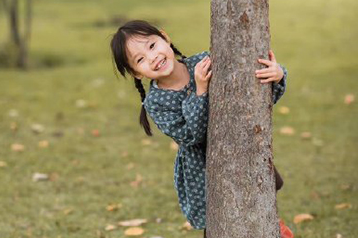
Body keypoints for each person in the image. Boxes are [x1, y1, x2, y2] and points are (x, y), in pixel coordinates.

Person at [110, 20, 293, 237]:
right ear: (137, 73)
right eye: (140, 59)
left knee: (255, 200)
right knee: (220, 217)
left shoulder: (203, 62)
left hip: (239, 149)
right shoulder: (156, 102)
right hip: (204, 165)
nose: (152, 57)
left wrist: (277, 75)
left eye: (152, 46)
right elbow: (192, 135)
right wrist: (200, 90)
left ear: (165, 37)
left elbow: (248, 102)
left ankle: (273, 229)